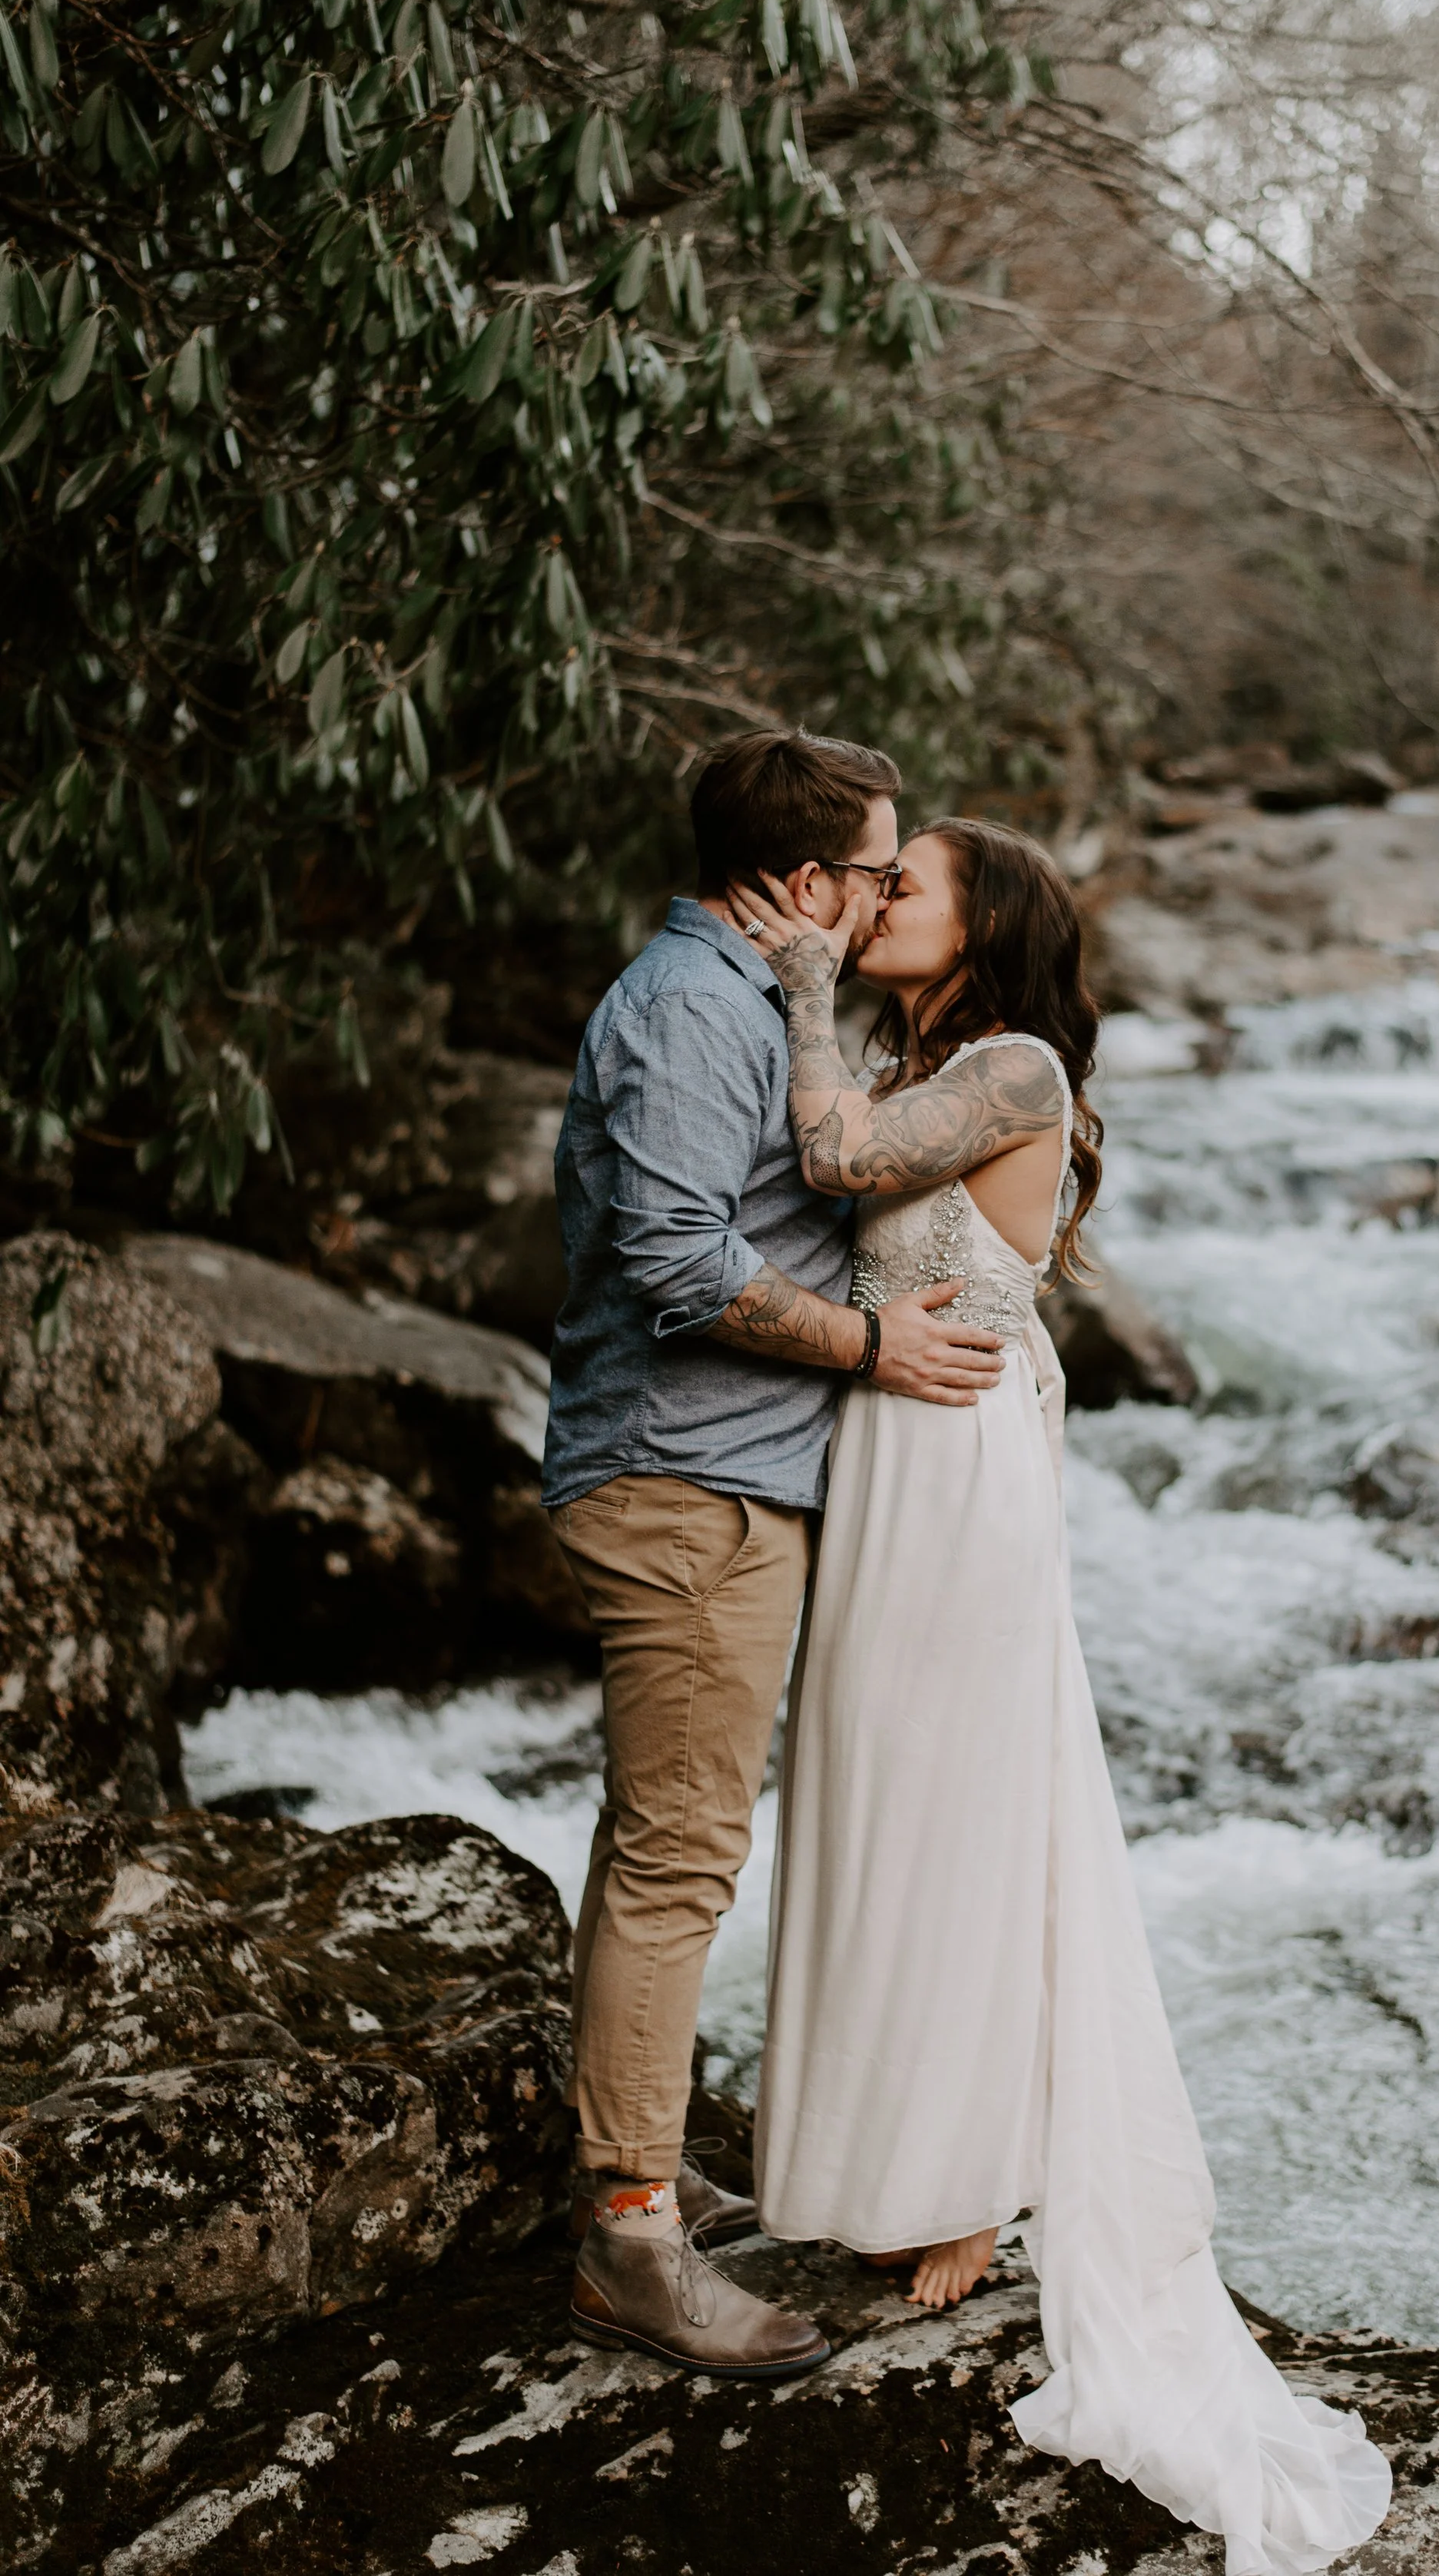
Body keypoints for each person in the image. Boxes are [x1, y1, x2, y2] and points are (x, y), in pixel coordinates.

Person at [729, 819, 1394, 2574]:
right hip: (895, 1443)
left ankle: (967, 2183)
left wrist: (795, 980)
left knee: (956, 1808)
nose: (874, 902)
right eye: (873, 884)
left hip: (953, 1463)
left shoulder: (1007, 1062)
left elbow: (839, 1158)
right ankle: (891, 2162)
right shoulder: (927, 1048)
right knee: (878, 1799)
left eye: (907, 885)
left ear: (987, 924)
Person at [541, 731, 1008, 2380]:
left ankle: (634, 2163)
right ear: (807, 884)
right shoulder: (684, 1012)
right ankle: (630, 2240)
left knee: (663, 1842)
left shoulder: (750, 1005)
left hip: (726, 1482)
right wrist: (875, 1350)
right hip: (682, 1485)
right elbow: (679, 1263)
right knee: (680, 1857)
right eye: (879, 872)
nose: (886, 897)